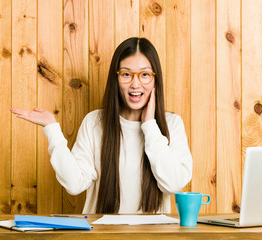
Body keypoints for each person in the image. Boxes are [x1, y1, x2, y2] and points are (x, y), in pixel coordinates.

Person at [10, 37, 192, 214]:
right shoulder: (95, 122)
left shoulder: (172, 124)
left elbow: (174, 183)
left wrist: (150, 125)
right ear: (116, 78)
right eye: (126, 74)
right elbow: (75, 184)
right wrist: (52, 129)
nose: (135, 84)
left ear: (155, 79)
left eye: (144, 75)